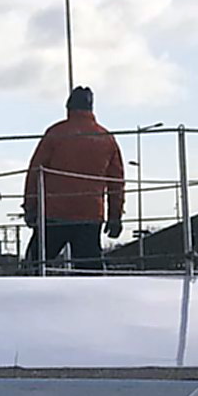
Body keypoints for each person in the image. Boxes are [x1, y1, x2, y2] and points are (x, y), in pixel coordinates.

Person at [27, 87, 124, 268]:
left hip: (55, 213)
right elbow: (116, 183)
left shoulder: (55, 134)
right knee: (89, 272)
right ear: (91, 108)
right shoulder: (106, 138)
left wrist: (30, 207)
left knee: (35, 264)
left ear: (68, 107)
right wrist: (115, 217)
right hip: (90, 214)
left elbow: (35, 172)